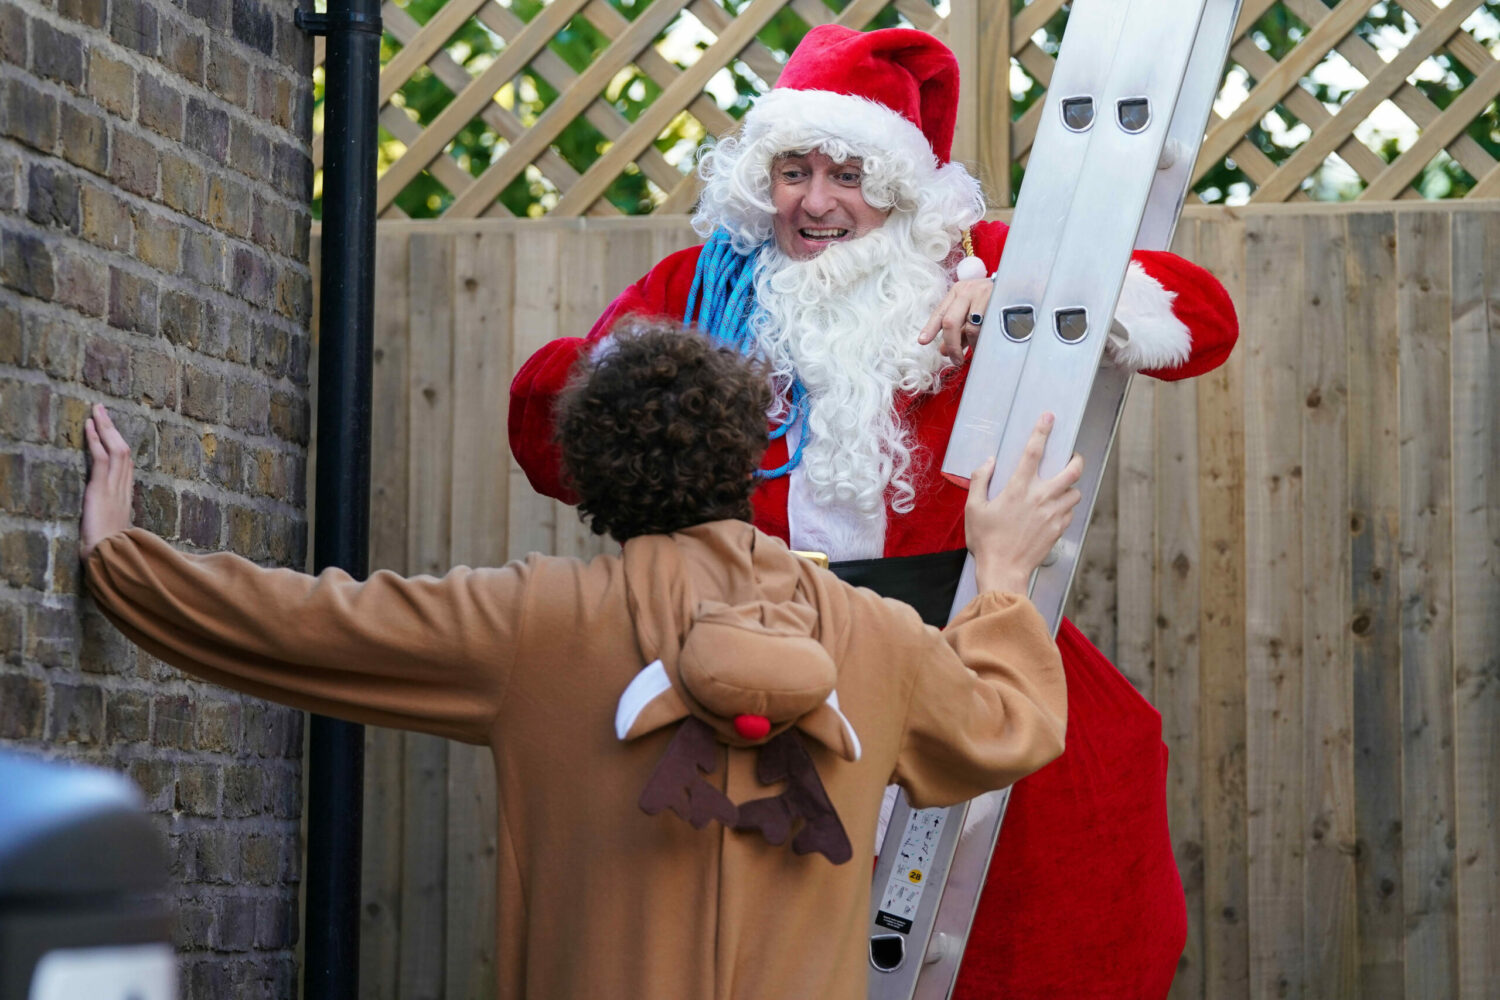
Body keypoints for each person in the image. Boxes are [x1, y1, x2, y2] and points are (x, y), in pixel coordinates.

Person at [508, 25, 1239, 1000]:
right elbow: (559, 432)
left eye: (848, 173)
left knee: (1062, 860)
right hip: (760, 649)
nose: (816, 202)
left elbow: (1200, 316)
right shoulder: (703, 288)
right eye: (792, 171)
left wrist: (1012, 301)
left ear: (901, 188)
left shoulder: (971, 260)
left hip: (948, 634)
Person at [83, 323, 1079, 1000]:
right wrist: (999, 575)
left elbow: (300, 622)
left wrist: (123, 562)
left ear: (591, 474)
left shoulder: (536, 622)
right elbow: (1010, 724)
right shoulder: (876, 636)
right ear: (748, 454)